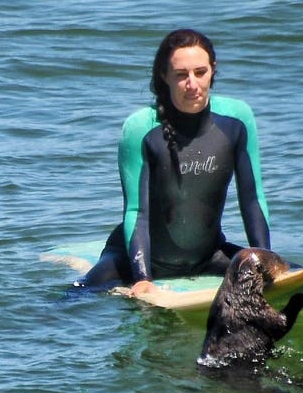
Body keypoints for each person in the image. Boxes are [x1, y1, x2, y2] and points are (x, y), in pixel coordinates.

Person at [75, 28, 273, 296]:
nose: (192, 84)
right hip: (134, 260)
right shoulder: (141, 128)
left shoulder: (237, 120)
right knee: (77, 296)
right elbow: (137, 211)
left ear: (213, 70)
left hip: (208, 257)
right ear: (164, 76)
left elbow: (252, 199)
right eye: (181, 75)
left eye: (200, 72)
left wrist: (266, 261)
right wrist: (142, 277)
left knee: (293, 273)